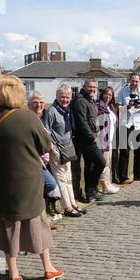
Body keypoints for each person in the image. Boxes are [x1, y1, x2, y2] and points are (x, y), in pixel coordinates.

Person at [0, 75, 64, 280]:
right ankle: (48, 269)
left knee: (7, 226)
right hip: (27, 182)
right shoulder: (27, 117)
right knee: (37, 223)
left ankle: (14, 274)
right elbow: (45, 146)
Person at [44, 84, 85, 217]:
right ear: (57, 97)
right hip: (57, 150)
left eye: (67, 97)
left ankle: (72, 203)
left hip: (67, 148)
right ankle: (67, 207)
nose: (65, 100)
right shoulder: (52, 111)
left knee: (68, 178)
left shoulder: (67, 110)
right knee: (61, 179)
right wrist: (53, 149)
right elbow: (46, 131)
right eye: (63, 97)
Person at [28, 92, 66, 222]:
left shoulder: (45, 116)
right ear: (29, 104)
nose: (38, 105)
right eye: (35, 102)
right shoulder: (28, 118)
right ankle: (42, 216)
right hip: (35, 160)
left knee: (48, 186)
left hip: (47, 158)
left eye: (41, 102)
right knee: (50, 184)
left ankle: (49, 211)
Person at [72, 80, 106, 202]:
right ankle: (91, 190)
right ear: (84, 87)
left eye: (94, 87)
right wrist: (92, 137)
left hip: (91, 137)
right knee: (101, 162)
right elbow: (82, 122)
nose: (92, 89)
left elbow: (92, 119)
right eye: (90, 86)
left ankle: (91, 192)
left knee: (90, 165)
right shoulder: (81, 101)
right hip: (86, 139)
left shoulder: (89, 100)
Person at [117, 73, 140, 184]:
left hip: (138, 123)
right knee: (124, 151)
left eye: (136, 81)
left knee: (138, 151)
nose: (134, 83)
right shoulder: (122, 91)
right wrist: (129, 106)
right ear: (129, 80)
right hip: (125, 123)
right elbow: (118, 109)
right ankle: (123, 177)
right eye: (133, 81)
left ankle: (137, 175)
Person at [97, 87, 120, 194]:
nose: (108, 96)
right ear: (102, 95)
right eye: (106, 94)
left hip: (110, 139)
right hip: (102, 139)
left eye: (110, 95)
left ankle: (108, 182)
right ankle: (105, 186)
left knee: (109, 162)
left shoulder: (111, 108)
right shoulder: (99, 106)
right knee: (104, 163)